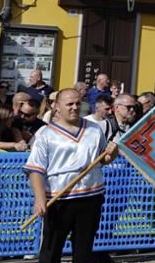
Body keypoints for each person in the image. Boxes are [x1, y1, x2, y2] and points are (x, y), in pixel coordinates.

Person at [26, 88, 118, 263]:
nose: (75, 107)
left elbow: (102, 159)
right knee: (51, 250)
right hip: (59, 198)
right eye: (69, 104)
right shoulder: (46, 135)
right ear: (57, 107)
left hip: (91, 196)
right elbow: (35, 169)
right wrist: (39, 199)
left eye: (77, 103)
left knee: (83, 251)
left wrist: (112, 152)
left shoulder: (93, 129)